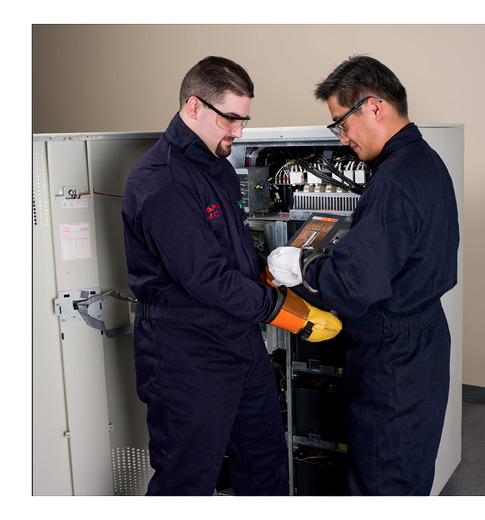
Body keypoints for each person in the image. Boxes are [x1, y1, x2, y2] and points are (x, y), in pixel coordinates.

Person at [121, 56, 342, 496]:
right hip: (187, 352)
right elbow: (206, 278)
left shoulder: (216, 165)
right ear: (194, 106)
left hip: (239, 342)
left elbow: (228, 251)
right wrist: (291, 314)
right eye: (231, 118)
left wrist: (266, 269)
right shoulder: (162, 182)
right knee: (187, 479)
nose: (239, 132)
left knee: (265, 460)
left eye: (244, 120)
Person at [267, 55, 459, 495]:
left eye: (342, 122)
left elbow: (354, 285)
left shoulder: (393, 181)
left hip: (392, 359)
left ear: (374, 106)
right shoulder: (425, 161)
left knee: (381, 481)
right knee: (407, 475)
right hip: (422, 342)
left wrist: (301, 265)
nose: (342, 137)